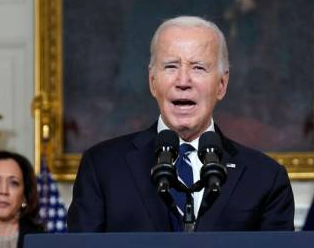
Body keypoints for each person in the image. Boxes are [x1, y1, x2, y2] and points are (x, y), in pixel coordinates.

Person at [67, 16, 294, 232]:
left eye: (198, 67)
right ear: (152, 82)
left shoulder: (265, 177)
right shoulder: (102, 167)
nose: (183, 81)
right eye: (171, 66)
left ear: (222, 85)